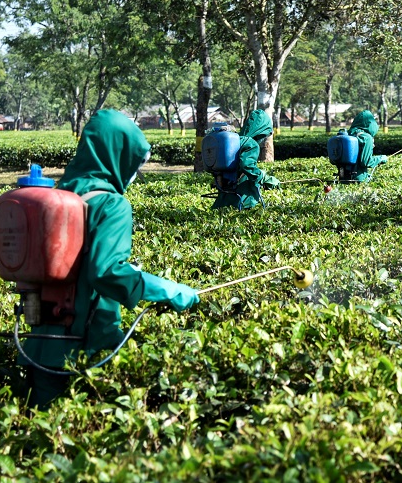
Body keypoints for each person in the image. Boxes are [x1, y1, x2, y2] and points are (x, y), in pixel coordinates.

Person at [22, 110, 200, 407]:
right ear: (119, 155)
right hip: (89, 344)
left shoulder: (53, 198)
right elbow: (106, 272)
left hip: (38, 341)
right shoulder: (111, 204)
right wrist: (167, 290)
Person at [213, 109, 280, 210]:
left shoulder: (235, 140)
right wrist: (264, 178)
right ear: (262, 130)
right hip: (242, 198)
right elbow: (247, 166)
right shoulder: (250, 143)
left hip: (224, 195)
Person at [346, 110, 388, 182]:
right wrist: (381, 158)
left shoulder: (347, 135)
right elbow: (366, 162)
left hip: (343, 178)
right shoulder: (366, 138)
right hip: (359, 179)